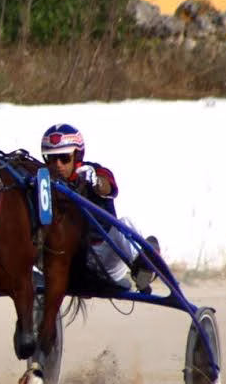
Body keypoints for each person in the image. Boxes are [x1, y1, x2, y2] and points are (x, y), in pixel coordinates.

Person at [40, 123, 158, 293]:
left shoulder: (95, 171)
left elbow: (107, 188)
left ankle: (143, 269)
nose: (58, 164)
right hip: (67, 260)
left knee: (124, 223)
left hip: (104, 257)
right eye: (51, 159)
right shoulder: (43, 182)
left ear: (77, 155)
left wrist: (95, 181)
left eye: (64, 158)